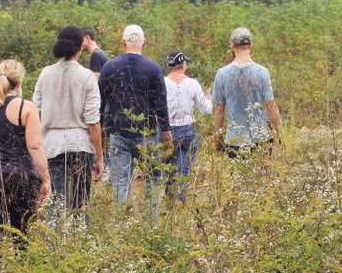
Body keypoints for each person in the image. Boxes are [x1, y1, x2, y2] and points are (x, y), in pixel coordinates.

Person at [0, 60, 52, 251]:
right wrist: (46, 179)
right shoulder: (27, 108)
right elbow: (35, 146)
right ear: (20, 82)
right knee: (22, 232)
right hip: (21, 176)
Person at [98, 24, 171, 222]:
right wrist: (166, 130)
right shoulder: (153, 68)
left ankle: (123, 225)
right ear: (144, 42)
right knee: (153, 179)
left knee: (121, 182)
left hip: (119, 133)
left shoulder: (110, 67)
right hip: (148, 134)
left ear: (123, 42)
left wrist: (102, 128)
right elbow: (160, 103)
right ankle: (151, 222)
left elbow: (100, 101)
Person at [33, 26, 104, 228]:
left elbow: (36, 112)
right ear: (80, 47)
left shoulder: (45, 74)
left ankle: (54, 247)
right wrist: (99, 157)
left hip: (52, 145)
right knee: (81, 203)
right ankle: (81, 246)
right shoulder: (87, 76)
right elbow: (93, 122)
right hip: (81, 145)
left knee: (56, 202)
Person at [212, 27, 281, 157]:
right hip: (261, 137)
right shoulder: (262, 72)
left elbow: (219, 111)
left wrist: (218, 136)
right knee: (262, 176)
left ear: (232, 45)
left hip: (234, 140)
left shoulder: (222, 74)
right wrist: (280, 134)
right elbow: (271, 107)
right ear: (251, 45)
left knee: (237, 176)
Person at [163, 51, 212, 202]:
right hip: (187, 130)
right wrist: (208, 98)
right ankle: (179, 203)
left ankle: (170, 203)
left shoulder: (161, 83)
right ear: (183, 64)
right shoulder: (193, 84)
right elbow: (206, 110)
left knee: (168, 170)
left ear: (169, 65)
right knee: (183, 170)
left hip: (166, 131)